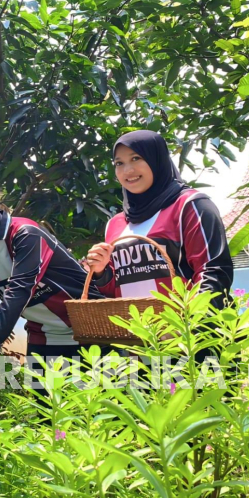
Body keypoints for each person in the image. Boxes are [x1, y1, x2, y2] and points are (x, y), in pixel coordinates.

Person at [83, 130, 234, 361]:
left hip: (192, 343)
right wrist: (101, 272)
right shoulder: (115, 224)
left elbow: (214, 271)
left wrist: (187, 327)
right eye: (119, 163)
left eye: (136, 159)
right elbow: (117, 291)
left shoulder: (190, 205)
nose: (128, 171)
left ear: (157, 159)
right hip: (137, 346)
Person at [0, 179, 106, 379]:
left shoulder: (26, 234)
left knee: (102, 405)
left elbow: (18, 292)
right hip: (45, 338)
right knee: (43, 407)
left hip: (92, 332)